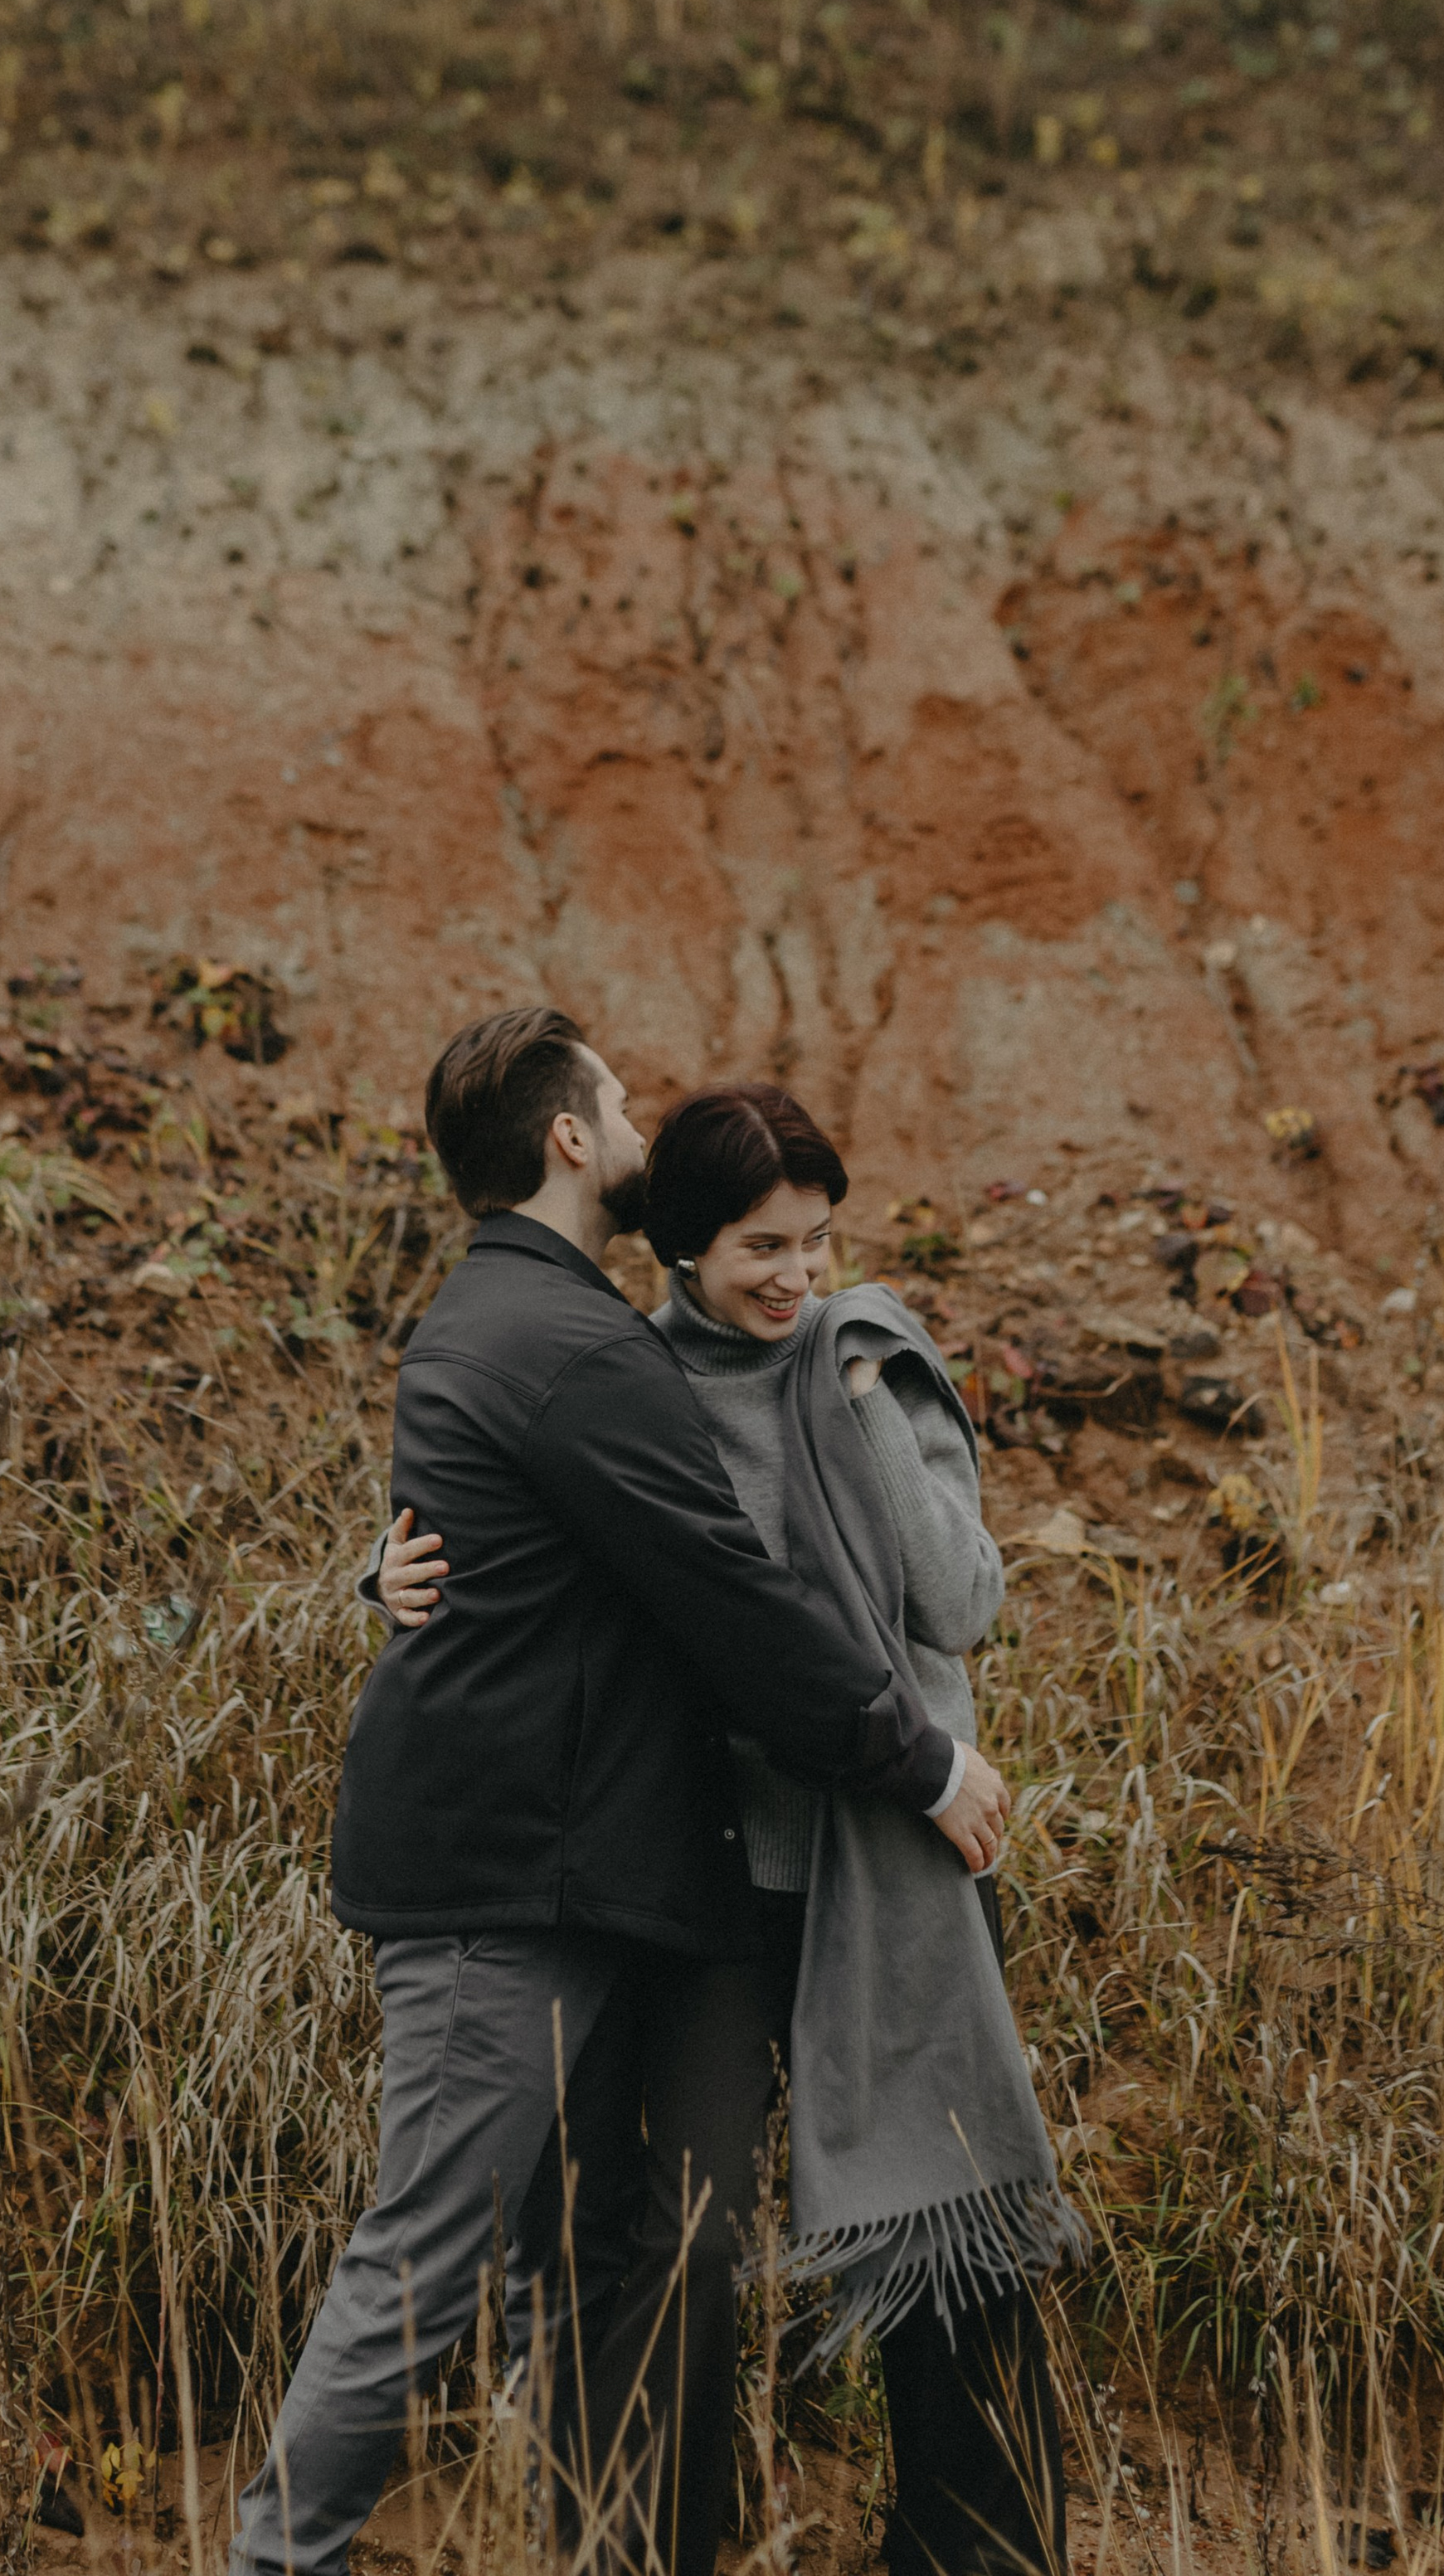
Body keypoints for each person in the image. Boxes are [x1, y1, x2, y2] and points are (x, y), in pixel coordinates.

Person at [226, 1013, 1013, 2576]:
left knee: (677, 2239)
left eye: (816, 1243)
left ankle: (924, 2539)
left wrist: (385, 1571)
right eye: (616, 1096)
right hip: (611, 1872)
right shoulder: (589, 1348)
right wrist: (923, 1758)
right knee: (529, 2246)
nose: (794, 1271)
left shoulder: (530, 1321)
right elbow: (727, 1599)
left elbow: (948, 1593)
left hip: (745, 1867)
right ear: (577, 1142)